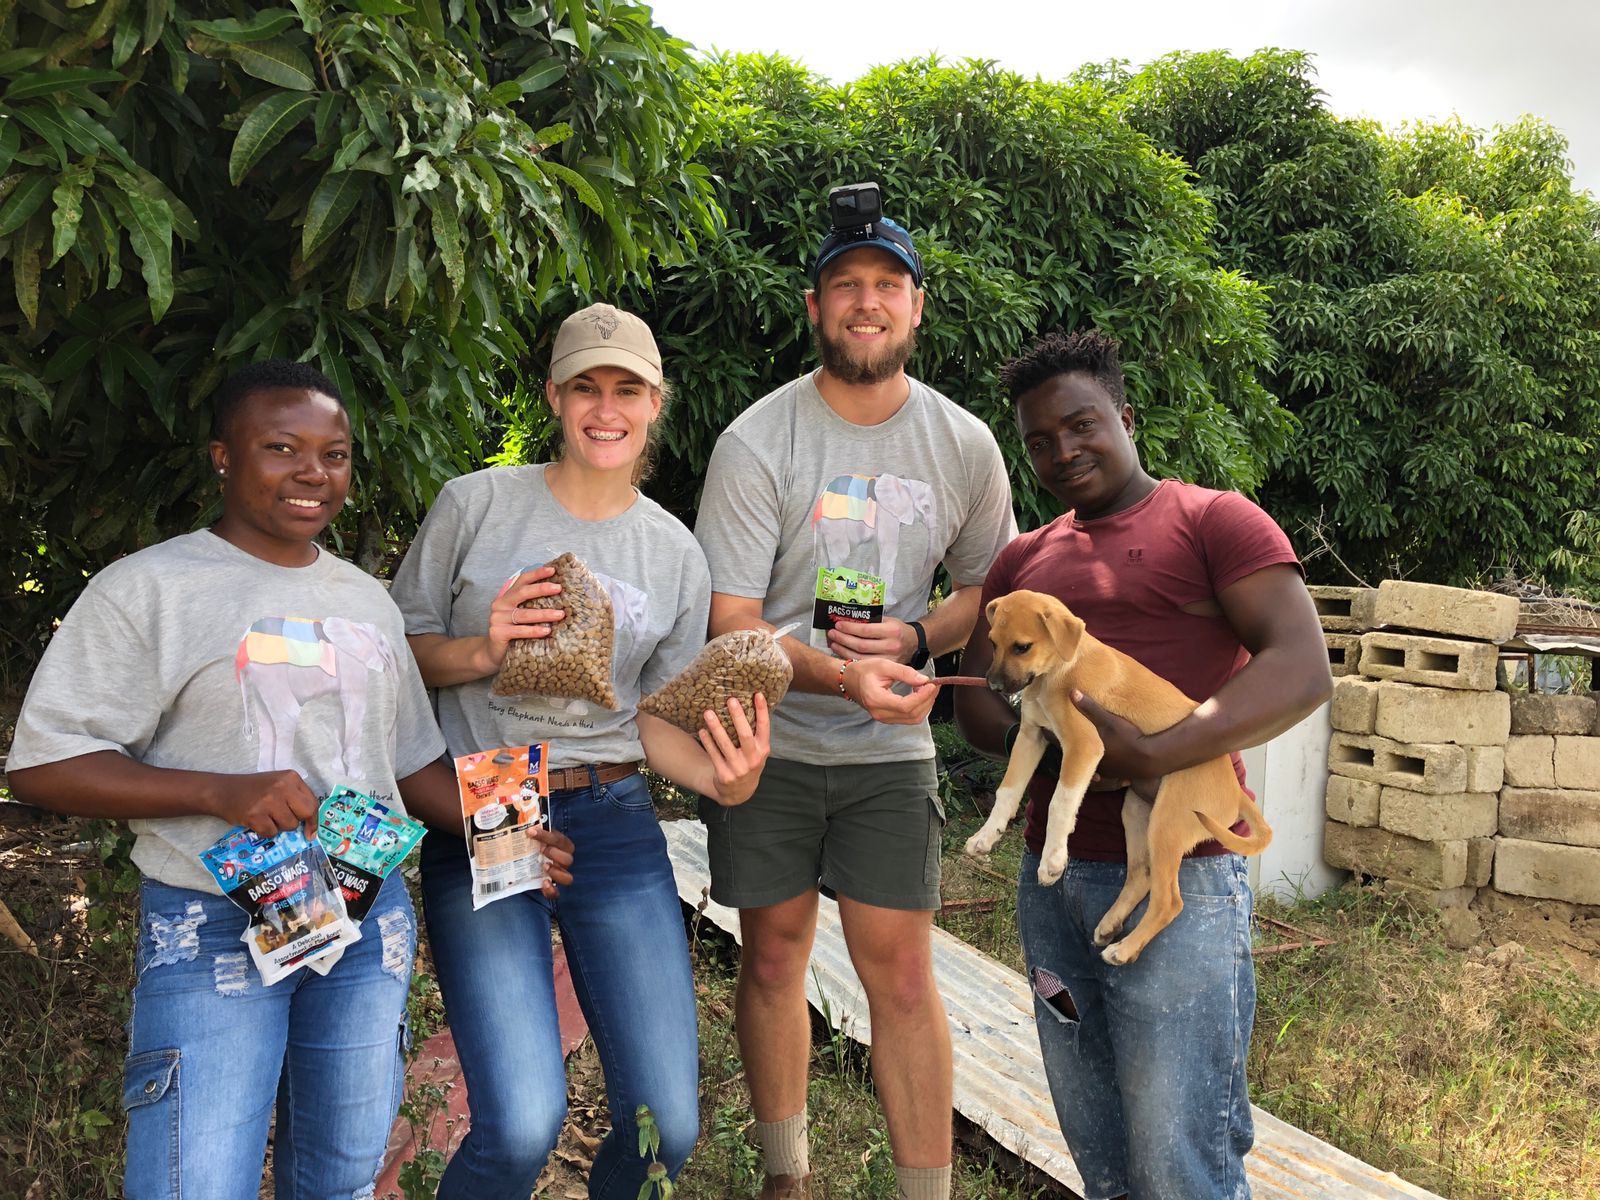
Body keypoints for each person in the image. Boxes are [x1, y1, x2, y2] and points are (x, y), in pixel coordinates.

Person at [6, 361, 575, 1200]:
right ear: (223, 458)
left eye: (334, 454)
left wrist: (507, 826)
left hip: (363, 912)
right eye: (282, 448)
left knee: (341, 1177)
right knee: (194, 1182)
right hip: (211, 922)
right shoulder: (149, 590)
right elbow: (42, 766)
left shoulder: (368, 603)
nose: (314, 472)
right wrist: (215, 791)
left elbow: (407, 765)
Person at [389, 303, 772, 1200]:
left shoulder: (674, 550)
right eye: (587, 387)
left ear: (655, 402)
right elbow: (397, 654)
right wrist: (482, 653)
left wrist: (727, 778)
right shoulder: (476, 505)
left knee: (666, 1128)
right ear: (556, 396)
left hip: (612, 814)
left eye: (628, 389)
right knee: (522, 1124)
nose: (607, 408)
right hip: (487, 798)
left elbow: (652, 722)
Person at [953, 329, 1332, 1200]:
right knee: (1100, 1147)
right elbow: (987, 705)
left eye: (1081, 425)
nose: (1062, 451)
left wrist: (1153, 754)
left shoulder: (1212, 522)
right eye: (1039, 441)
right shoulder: (1024, 563)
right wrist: (950, 686)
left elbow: (1301, 667)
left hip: (1185, 879)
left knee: (1180, 1160)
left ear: (1125, 416)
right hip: (1053, 887)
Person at [694, 195, 1018, 1200]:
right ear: (814, 306)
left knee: (904, 977)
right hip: (771, 743)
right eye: (847, 286)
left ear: (917, 308)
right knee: (774, 956)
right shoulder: (756, 442)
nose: (866, 304)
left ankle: (926, 1194)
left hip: (888, 754)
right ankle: (786, 1178)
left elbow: (988, 594)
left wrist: (920, 637)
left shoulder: (963, 446)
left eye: (886, 286)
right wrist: (839, 675)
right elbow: (731, 622)